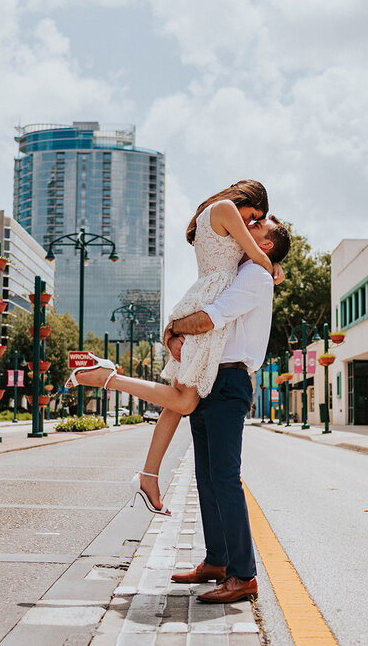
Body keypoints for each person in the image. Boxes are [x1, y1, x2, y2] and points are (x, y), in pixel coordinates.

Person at [72, 215, 291, 603]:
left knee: (224, 477)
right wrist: (175, 332)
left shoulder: (256, 276)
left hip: (229, 380)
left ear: (267, 244)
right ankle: (218, 561)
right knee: (206, 476)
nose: (248, 225)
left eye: (257, 225)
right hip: (209, 378)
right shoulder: (244, 271)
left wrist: (174, 326)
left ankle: (244, 575)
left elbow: (208, 320)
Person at [68, 180, 280, 513]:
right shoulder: (225, 209)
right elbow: (257, 256)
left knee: (177, 400)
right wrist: (272, 267)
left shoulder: (216, 214)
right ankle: (107, 377)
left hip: (207, 297)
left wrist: (269, 262)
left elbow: (252, 256)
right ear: (248, 200)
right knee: (183, 400)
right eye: (254, 216)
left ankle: (149, 475)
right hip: (209, 305)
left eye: (256, 222)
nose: (251, 224)